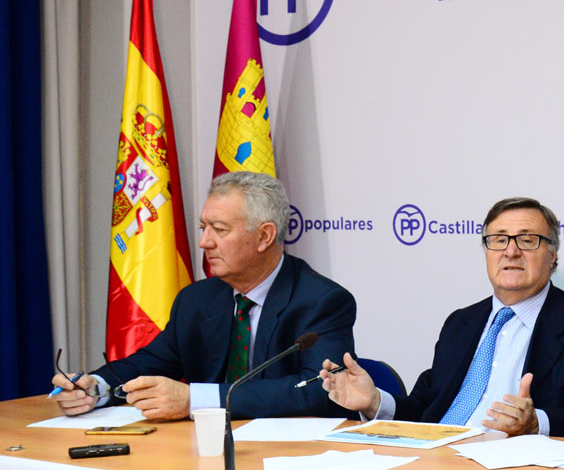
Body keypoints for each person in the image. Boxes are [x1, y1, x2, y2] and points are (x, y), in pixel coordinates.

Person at [52, 171, 356, 420]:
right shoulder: (197, 300)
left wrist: (195, 400)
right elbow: (153, 361)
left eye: (219, 230)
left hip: (291, 458)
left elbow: (317, 388)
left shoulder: (322, 301)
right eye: (202, 227)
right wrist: (96, 386)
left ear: (265, 236)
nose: (203, 242)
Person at [321, 197, 564, 440]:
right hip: (437, 463)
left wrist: (536, 423)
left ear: (553, 254)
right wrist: (374, 401)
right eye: (499, 240)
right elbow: (428, 408)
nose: (511, 252)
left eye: (528, 240)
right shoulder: (461, 323)